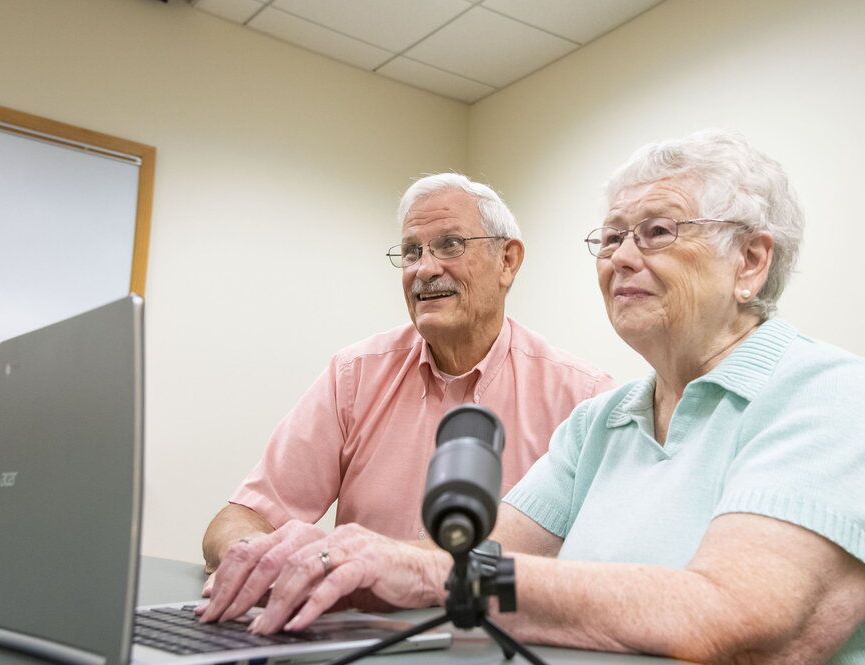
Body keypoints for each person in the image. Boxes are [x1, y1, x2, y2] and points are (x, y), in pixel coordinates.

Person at [199, 130, 865, 662]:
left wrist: (437, 574)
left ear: (751, 262)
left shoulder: (831, 393)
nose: (620, 257)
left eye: (658, 231)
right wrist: (328, 553)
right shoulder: (603, 421)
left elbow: (736, 620)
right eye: (609, 237)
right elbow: (469, 555)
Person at [201, 173, 613, 577]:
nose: (424, 269)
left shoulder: (583, 397)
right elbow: (245, 515)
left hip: (499, 634)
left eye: (450, 245)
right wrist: (254, 556)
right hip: (360, 629)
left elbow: (607, 563)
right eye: (412, 252)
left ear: (507, 261)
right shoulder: (354, 375)